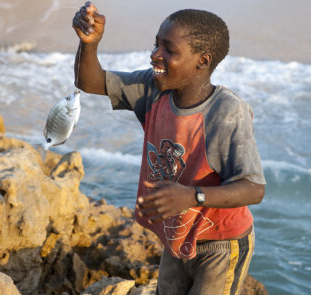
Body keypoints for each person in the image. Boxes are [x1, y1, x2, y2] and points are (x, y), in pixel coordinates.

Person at [72, 2, 266, 294]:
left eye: (169, 50)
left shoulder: (227, 112)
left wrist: (192, 196)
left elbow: (254, 188)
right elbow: (89, 81)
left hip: (221, 244)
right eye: (156, 44)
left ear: (203, 61)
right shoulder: (154, 89)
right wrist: (89, 44)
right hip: (177, 236)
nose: (154, 55)